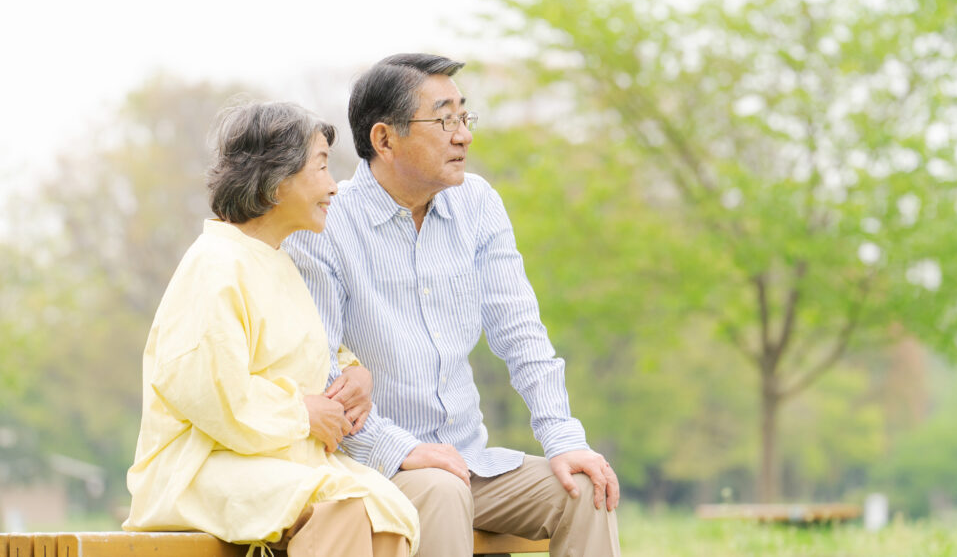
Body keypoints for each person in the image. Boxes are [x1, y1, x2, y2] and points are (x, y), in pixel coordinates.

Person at [285, 54, 620, 557]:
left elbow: (522, 332)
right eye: (444, 119)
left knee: (587, 489)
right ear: (384, 139)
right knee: (441, 491)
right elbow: (322, 373)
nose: (462, 134)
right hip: (378, 465)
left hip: (471, 461)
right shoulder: (326, 225)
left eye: (464, 117)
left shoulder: (478, 204)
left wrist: (564, 438)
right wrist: (404, 450)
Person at [124, 101, 419, 557]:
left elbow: (302, 352)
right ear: (277, 180)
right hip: (198, 468)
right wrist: (304, 414)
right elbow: (211, 394)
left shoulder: (277, 261)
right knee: (346, 505)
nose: (333, 187)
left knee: (389, 515)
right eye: (321, 167)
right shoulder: (215, 264)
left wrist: (354, 375)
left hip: (270, 461)